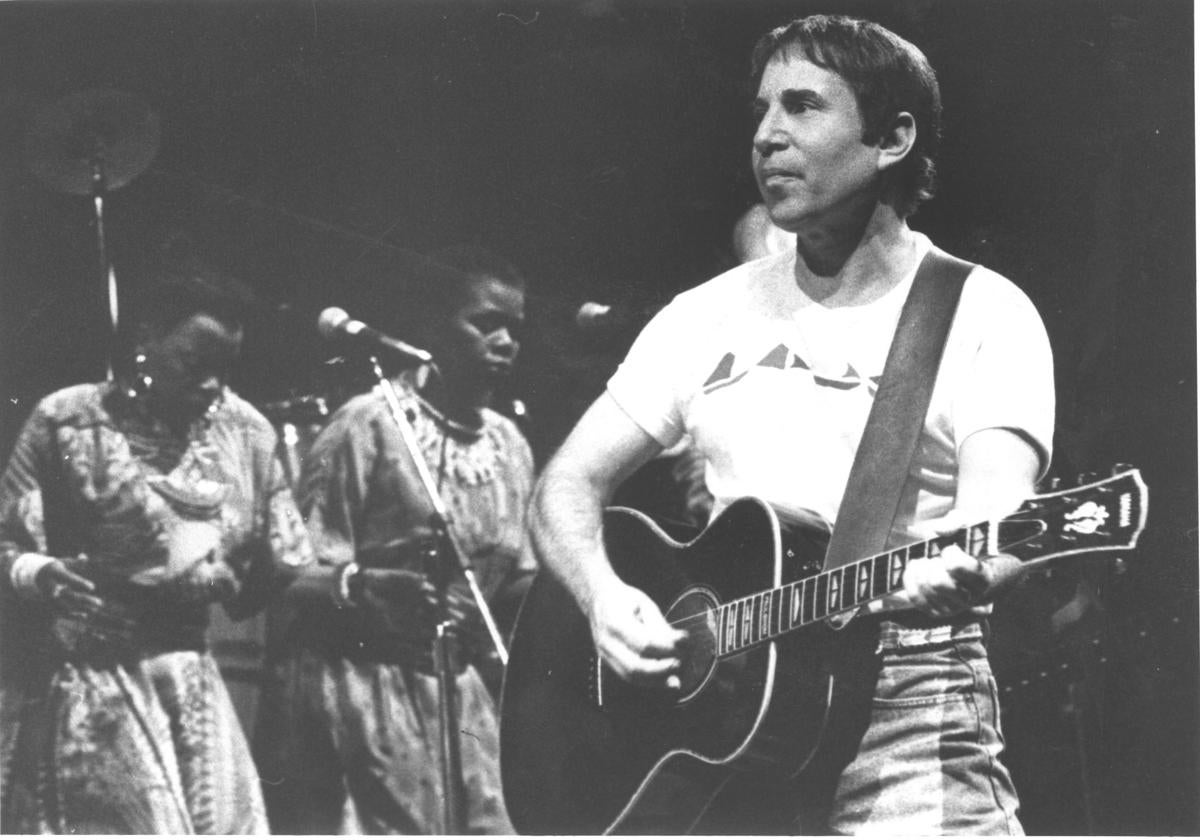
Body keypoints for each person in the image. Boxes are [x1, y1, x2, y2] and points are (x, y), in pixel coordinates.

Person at [529, 14, 1054, 835]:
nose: (767, 136)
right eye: (762, 110)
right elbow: (567, 481)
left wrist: (963, 568)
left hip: (904, 708)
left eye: (804, 107)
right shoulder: (704, 315)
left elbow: (1001, 517)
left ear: (892, 138)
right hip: (725, 727)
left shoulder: (981, 310)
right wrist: (602, 598)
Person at [0, 242, 314, 834]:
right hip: (93, 678)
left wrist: (235, 580)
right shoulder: (67, 419)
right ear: (146, 337)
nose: (214, 383)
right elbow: (6, 541)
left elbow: (281, 559)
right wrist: (40, 574)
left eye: (228, 365)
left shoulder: (246, 432)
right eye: (196, 361)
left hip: (191, 679)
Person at [254, 244, 534, 834]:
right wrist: (366, 589)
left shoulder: (510, 445)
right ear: (433, 326)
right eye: (486, 323)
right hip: (364, 692)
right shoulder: (368, 423)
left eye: (514, 328)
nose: (505, 341)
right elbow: (290, 576)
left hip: (461, 696)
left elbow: (517, 582)